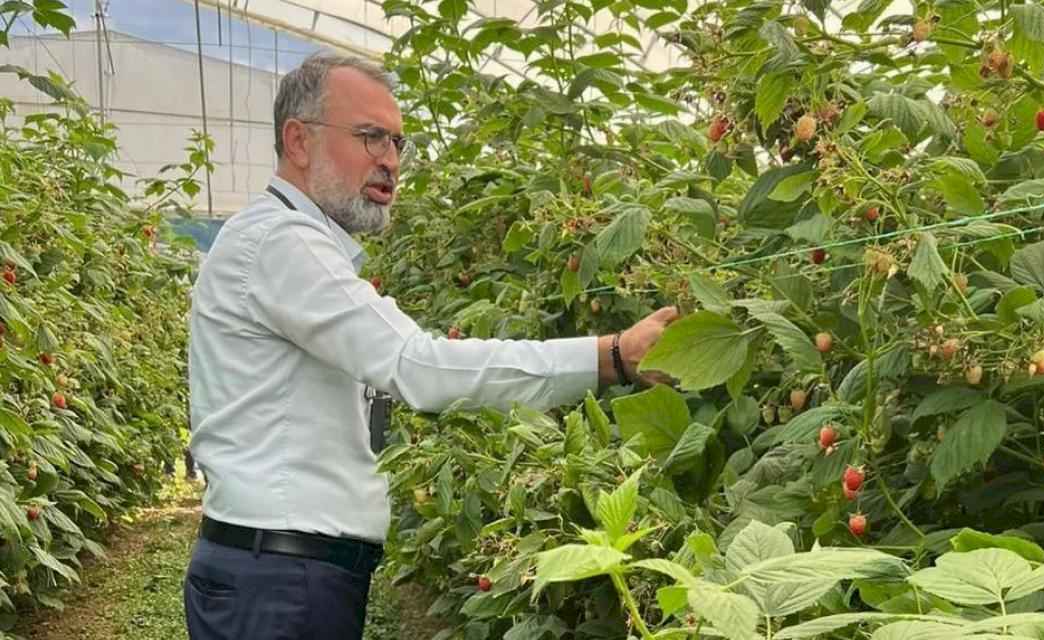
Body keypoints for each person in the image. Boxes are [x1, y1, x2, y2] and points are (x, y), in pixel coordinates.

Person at [182, 52, 679, 640]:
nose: (390, 161)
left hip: (280, 575)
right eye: (370, 137)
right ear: (298, 140)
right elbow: (417, 365)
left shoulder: (285, 242)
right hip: (281, 584)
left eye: (397, 142)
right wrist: (610, 355)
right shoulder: (282, 243)